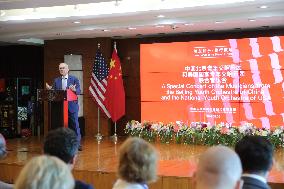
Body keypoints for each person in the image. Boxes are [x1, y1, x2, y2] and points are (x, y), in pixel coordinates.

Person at [46, 62, 82, 150]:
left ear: (68, 69)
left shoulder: (74, 79)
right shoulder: (56, 80)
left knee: (74, 125)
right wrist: (51, 89)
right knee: (61, 126)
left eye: (63, 68)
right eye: (60, 68)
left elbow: (79, 91)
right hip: (60, 108)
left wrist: (74, 89)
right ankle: (62, 144)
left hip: (72, 107)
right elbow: (55, 93)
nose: (61, 70)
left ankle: (77, 144)